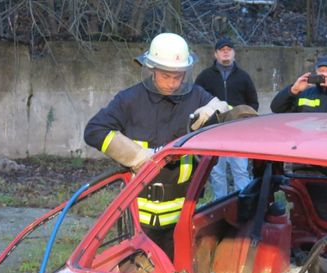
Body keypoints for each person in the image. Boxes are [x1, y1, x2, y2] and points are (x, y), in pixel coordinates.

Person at [83, 33, 232, 260]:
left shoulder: (196, 96)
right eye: (166, 76)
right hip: (137, 218)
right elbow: (94, 130)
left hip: (182, 217)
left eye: (179, 76)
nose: (173, 83)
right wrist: (139, 156)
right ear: (151, 69)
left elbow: (227, 114)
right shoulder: (129, 100)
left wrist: (213, 114)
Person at [195, 37, 258, 199]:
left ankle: (244, 202)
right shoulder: (205, 77)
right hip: (213, 132)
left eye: (229, 49)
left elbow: (253, 103)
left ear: (234, 53)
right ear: (215, 54)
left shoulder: (243, 77)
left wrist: (245, 119)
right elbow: (196, 101)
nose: (225, 52)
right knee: (217, 172)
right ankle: (219, 204)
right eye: (222, 50)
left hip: (238, 133)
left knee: (241, 170)